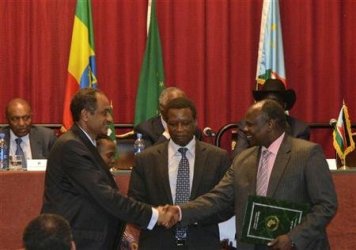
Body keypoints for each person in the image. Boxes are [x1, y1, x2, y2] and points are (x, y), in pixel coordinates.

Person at [164, 99, 338, 250]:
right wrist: (180, 211)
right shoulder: (242, 160)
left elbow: (326, 205)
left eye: (251, 124)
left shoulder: (307, 153)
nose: (245, 129)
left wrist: (294, 238)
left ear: (270, 124)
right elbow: (217, 197)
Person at [41, 88, 170, 250]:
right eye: (105, 113)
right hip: (75, 240)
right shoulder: (72, 146)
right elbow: (104, 195)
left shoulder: (85, 144)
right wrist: (154, 215)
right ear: (86, 115)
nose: (109, 119)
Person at [128, 97, 231, 249]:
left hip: (202, 243)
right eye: (173, 124)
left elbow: (227, 205)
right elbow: (134, 205)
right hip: (157, 243)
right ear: (166, 125)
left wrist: (188, 215)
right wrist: (159, 217)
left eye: (185, 123)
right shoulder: (146, 159)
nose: (180, 129)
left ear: (195, 122)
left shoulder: (218, 157)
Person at [231, 79, 310, 159]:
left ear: (284, 105)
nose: (269, 108)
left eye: (274, 103)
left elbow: (299, 161)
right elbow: (238, 158)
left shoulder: (299, 129)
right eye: (266, 103)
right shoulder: (248, 125)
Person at [134, 87, 202, 147]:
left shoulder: (194, 131)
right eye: (174, 107)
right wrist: (166, 135)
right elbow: (146, 159)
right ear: (162, 108)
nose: (180, 111)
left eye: (183, 106)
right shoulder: (145, 130)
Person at [2, 98, 57, 162]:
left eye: (26, 118)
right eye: (15, 119)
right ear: (7, 119)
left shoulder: (47, 137)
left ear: (31, 116)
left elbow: (57, 166)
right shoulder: (1, 137)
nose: (21, 124)